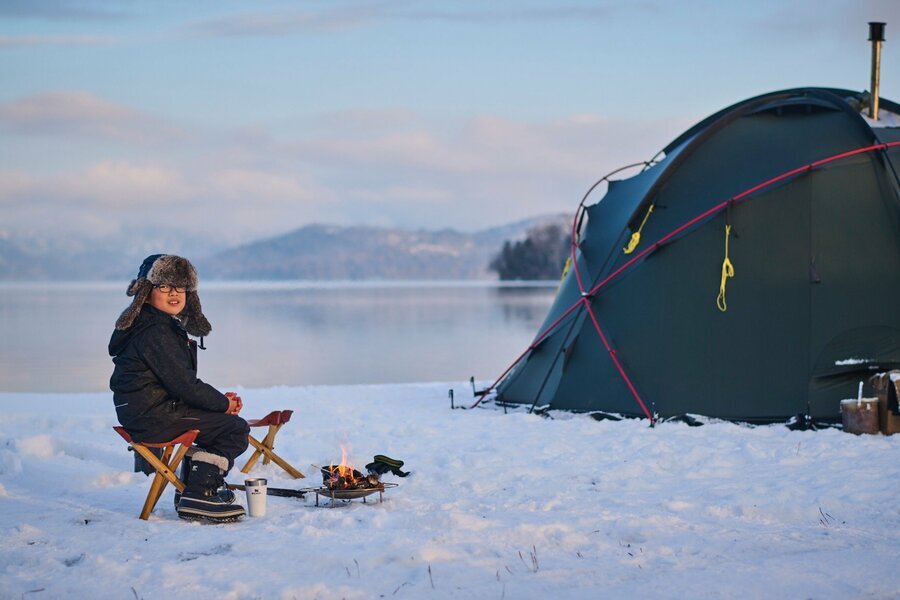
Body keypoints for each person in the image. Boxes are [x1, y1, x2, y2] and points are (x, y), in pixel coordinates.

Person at [109, 254, 249, 523]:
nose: (174, 293)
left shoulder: (155, 324)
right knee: (234, 429)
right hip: (153, 416)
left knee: (220, 422)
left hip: (149, 411)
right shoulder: (155, 331)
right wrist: (224, 404)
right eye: (164, 286)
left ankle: (191, 488)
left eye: (180, 286)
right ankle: (199, 494)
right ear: (146, 292)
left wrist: (219, 402)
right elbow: (185, 385)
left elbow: (179, 384)